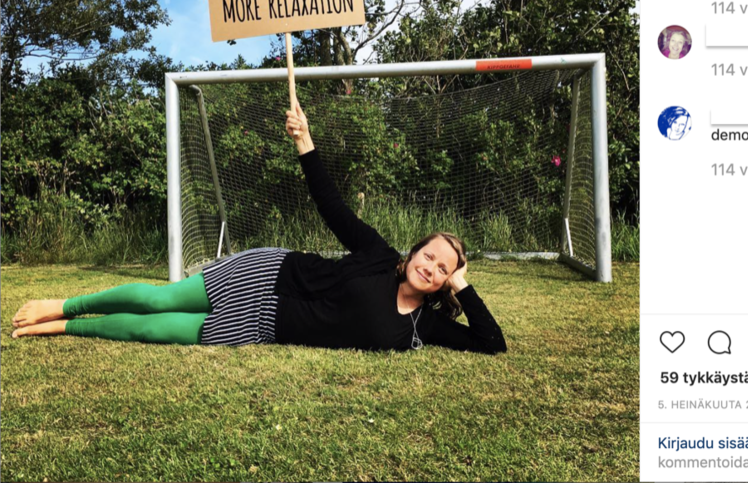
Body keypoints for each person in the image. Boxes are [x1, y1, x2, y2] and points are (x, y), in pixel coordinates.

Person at [11, 104, 507, 355]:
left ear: (445, 281)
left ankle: (64, 327)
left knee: (155, 331)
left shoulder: (425, 327)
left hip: (265, 326)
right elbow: (331, 206)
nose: (430, 267)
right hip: (268, 274)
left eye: (442, 268)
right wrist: (305, 141)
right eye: (429, 255)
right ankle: (65, 305)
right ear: (413, 252)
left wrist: (463, 282)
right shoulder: (379, 254)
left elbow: (492, 342)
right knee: (162, 301)